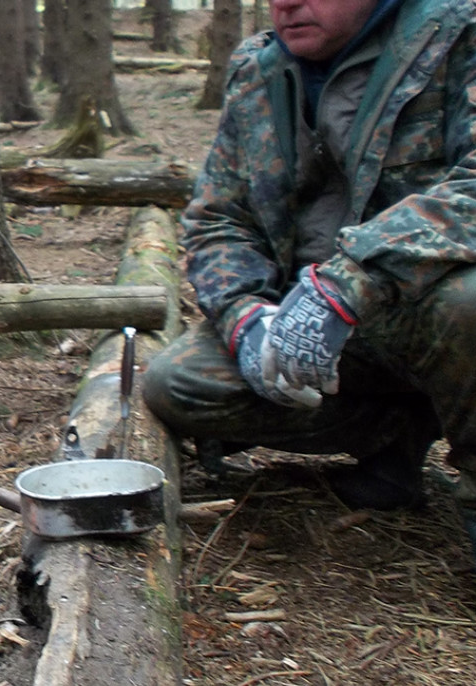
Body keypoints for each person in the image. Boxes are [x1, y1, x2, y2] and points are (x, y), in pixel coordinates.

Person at [143, 0, 476, 552]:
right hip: (307, 320)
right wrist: (246, 317)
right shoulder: (259, 67)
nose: (286, 4)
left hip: (421, 305)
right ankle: (400, 434)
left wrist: (347, 283)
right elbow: (219, 218)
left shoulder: (457, 36)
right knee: (179, 384)